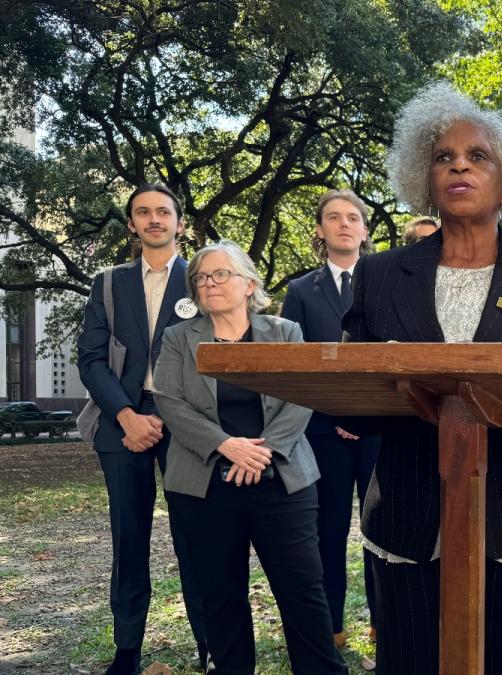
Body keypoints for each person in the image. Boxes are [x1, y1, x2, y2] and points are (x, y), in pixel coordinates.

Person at [340, 82, 502, 675]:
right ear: (424, 182)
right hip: (408, 519)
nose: (459, 164)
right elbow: (351, 397)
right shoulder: (378, 276)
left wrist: (493, 406)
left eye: (477, 156)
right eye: (443, 157)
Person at [154, 240, 346, 675]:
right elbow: (170, 400)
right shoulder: (178, 338)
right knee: (220, 595)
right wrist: (226, 445)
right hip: (204, 485)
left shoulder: (284, 332)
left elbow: (300, 397)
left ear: (249, 285)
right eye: (201, 277)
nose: (210, 283)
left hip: (282, 479)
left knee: (302, 591)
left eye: (221, 274)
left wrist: (262, 451)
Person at [76, 183, 207, 675]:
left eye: (163, 212)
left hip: (187, 422)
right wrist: (126, 416)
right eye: (143, 213)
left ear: (179, 221)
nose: (154, 219)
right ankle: (127, 649)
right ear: (131, 224)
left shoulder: (202, 279)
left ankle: (209, 645)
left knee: (195, 536)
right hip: (122, 422)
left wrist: (171, 415)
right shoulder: (107, 283)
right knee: (128, 537)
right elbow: (89, 358)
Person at [280, 189, 380, 651]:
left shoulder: (388, 283)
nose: (344, 224)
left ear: (365, 229)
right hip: (322, 431)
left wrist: (364, 412)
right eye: (333, 218)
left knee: (382, 528)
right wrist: (338, 411)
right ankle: (331, 632)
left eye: (353, 217)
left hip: (381, 428)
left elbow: (396, 355)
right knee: (328, 531)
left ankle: (386, 627)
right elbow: (296, 366)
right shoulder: (300, 291)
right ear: (320, 231)